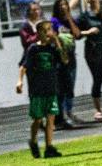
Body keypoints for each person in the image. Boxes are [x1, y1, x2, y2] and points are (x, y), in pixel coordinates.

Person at [16, 21, 67, 158]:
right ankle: (33, 141)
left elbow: (65, 60)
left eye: (49, 29)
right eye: (44, 30)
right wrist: (20, 81)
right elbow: (24, 67)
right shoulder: (33, 49)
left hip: (51, 88)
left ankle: (49, 147)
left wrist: (57, 41)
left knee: (51, 119)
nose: (47, 33)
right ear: (38, 33)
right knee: (38, 120)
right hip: (37, 90)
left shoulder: (52, 49)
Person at [51, 0, 82, 128]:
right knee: (61, 89)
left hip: (71, 57)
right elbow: (54, 36)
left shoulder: (71, 20)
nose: (63, 7)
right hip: (59, 58)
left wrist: (69, 18)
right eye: (60, 5)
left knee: (70, 87)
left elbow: (77, 34)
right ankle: (60, 116)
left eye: (65, 4)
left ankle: (69, 112)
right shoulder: (54, 21)